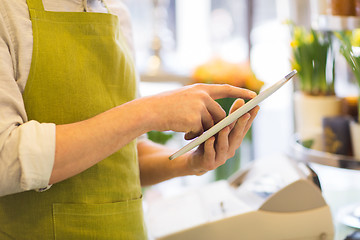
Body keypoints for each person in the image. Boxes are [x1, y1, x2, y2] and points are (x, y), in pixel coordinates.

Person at [0, 0, 259, 239]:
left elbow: (126, 154)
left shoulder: (117, 13)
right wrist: (150, 111)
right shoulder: (8, 11)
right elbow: (6, 156)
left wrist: (191, 160)